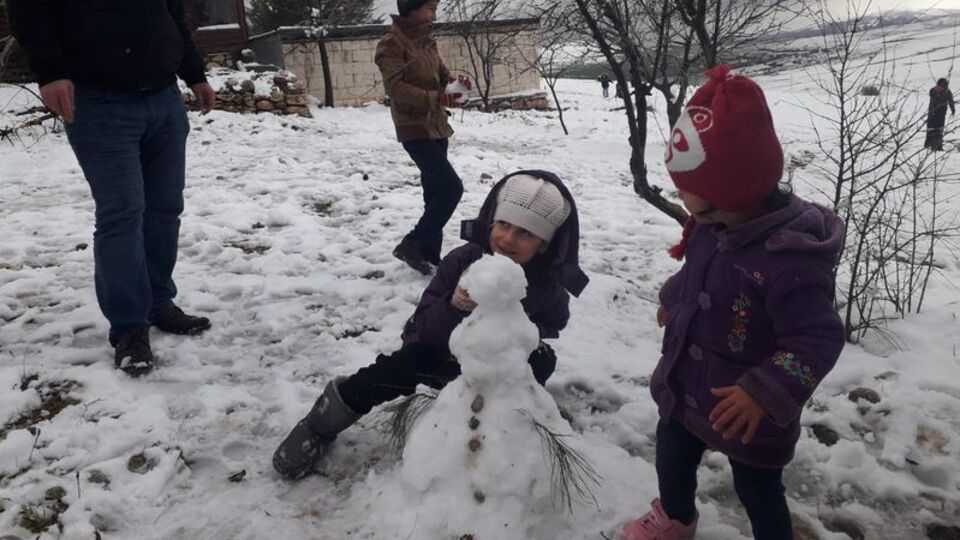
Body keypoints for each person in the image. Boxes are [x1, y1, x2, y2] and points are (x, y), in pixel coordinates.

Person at [620, 66, 845, 540]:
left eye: (701, 207)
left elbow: (817, 338)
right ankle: (676, 518)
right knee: (672, 453)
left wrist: (764, 392)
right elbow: (696, 271)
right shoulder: (713, 223)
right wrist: (674, 299)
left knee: (758, 487)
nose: (692, 216)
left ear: (742, 193)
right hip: (688, 384)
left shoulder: (789, 258)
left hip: (746, 407)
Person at [272, 171, 589, 480]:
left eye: (525, 233)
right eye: (503, 225)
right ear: (491, 221)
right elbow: (425, 324)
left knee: (543, 360)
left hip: (491, 366)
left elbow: (553, 323)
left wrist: (518, 327)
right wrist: (456, 306)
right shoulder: (462, 261)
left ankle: (524, 411)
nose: (508, 239)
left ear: (543, 245)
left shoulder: (546, 284)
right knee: (391, 371)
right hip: (436, 352)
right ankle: (320, 424)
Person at [8, 0, 217, 377]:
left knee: (165, 209)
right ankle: (129, 327)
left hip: (163, 97)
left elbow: (173, 16)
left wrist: (195, 74)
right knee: (122, 214)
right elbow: (30, 13)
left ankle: (157, 302)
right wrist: (51, 72)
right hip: (98, 101)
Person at [376, 0, 474, 275]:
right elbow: (396, 89)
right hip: (413, 126)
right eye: (429, 9)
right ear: (411, 9)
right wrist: (439, 98)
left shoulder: (427, 42)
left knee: (434, 193)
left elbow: (442, 77)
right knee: (451, 188)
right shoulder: (391, 44)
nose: (434, 14)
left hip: (437, 125)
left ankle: (430, 255)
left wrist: (457, 86)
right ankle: (413, 243)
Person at [924, 77, 955, 151]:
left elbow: (951, 101)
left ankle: (938, 145)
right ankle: (930, 144)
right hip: (933, 112)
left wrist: (953, 109)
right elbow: (938, 98)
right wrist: (944, 94)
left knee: (939, 129)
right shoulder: (933, 91)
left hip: (941, 113)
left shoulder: (947, 92)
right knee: (932, 129)